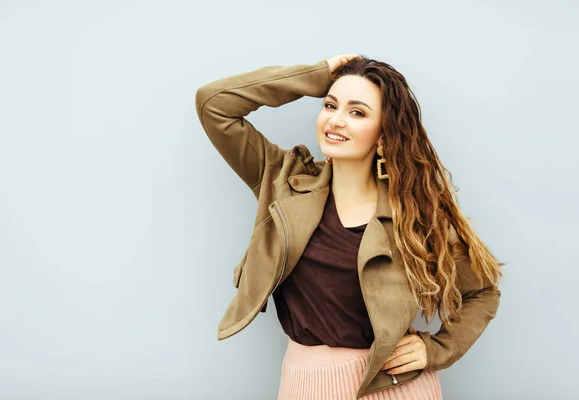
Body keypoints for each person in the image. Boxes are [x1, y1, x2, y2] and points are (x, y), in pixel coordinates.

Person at [195, 54, 504, 400]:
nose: (336, 120)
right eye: (330, 105)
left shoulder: (415, 213)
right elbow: (213, 105)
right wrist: (317, 76)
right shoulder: (282, 180)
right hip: (302, 384)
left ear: (384, 134)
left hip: (390, 387)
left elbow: (483, 292)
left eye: (357, 112)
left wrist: (436, 350)